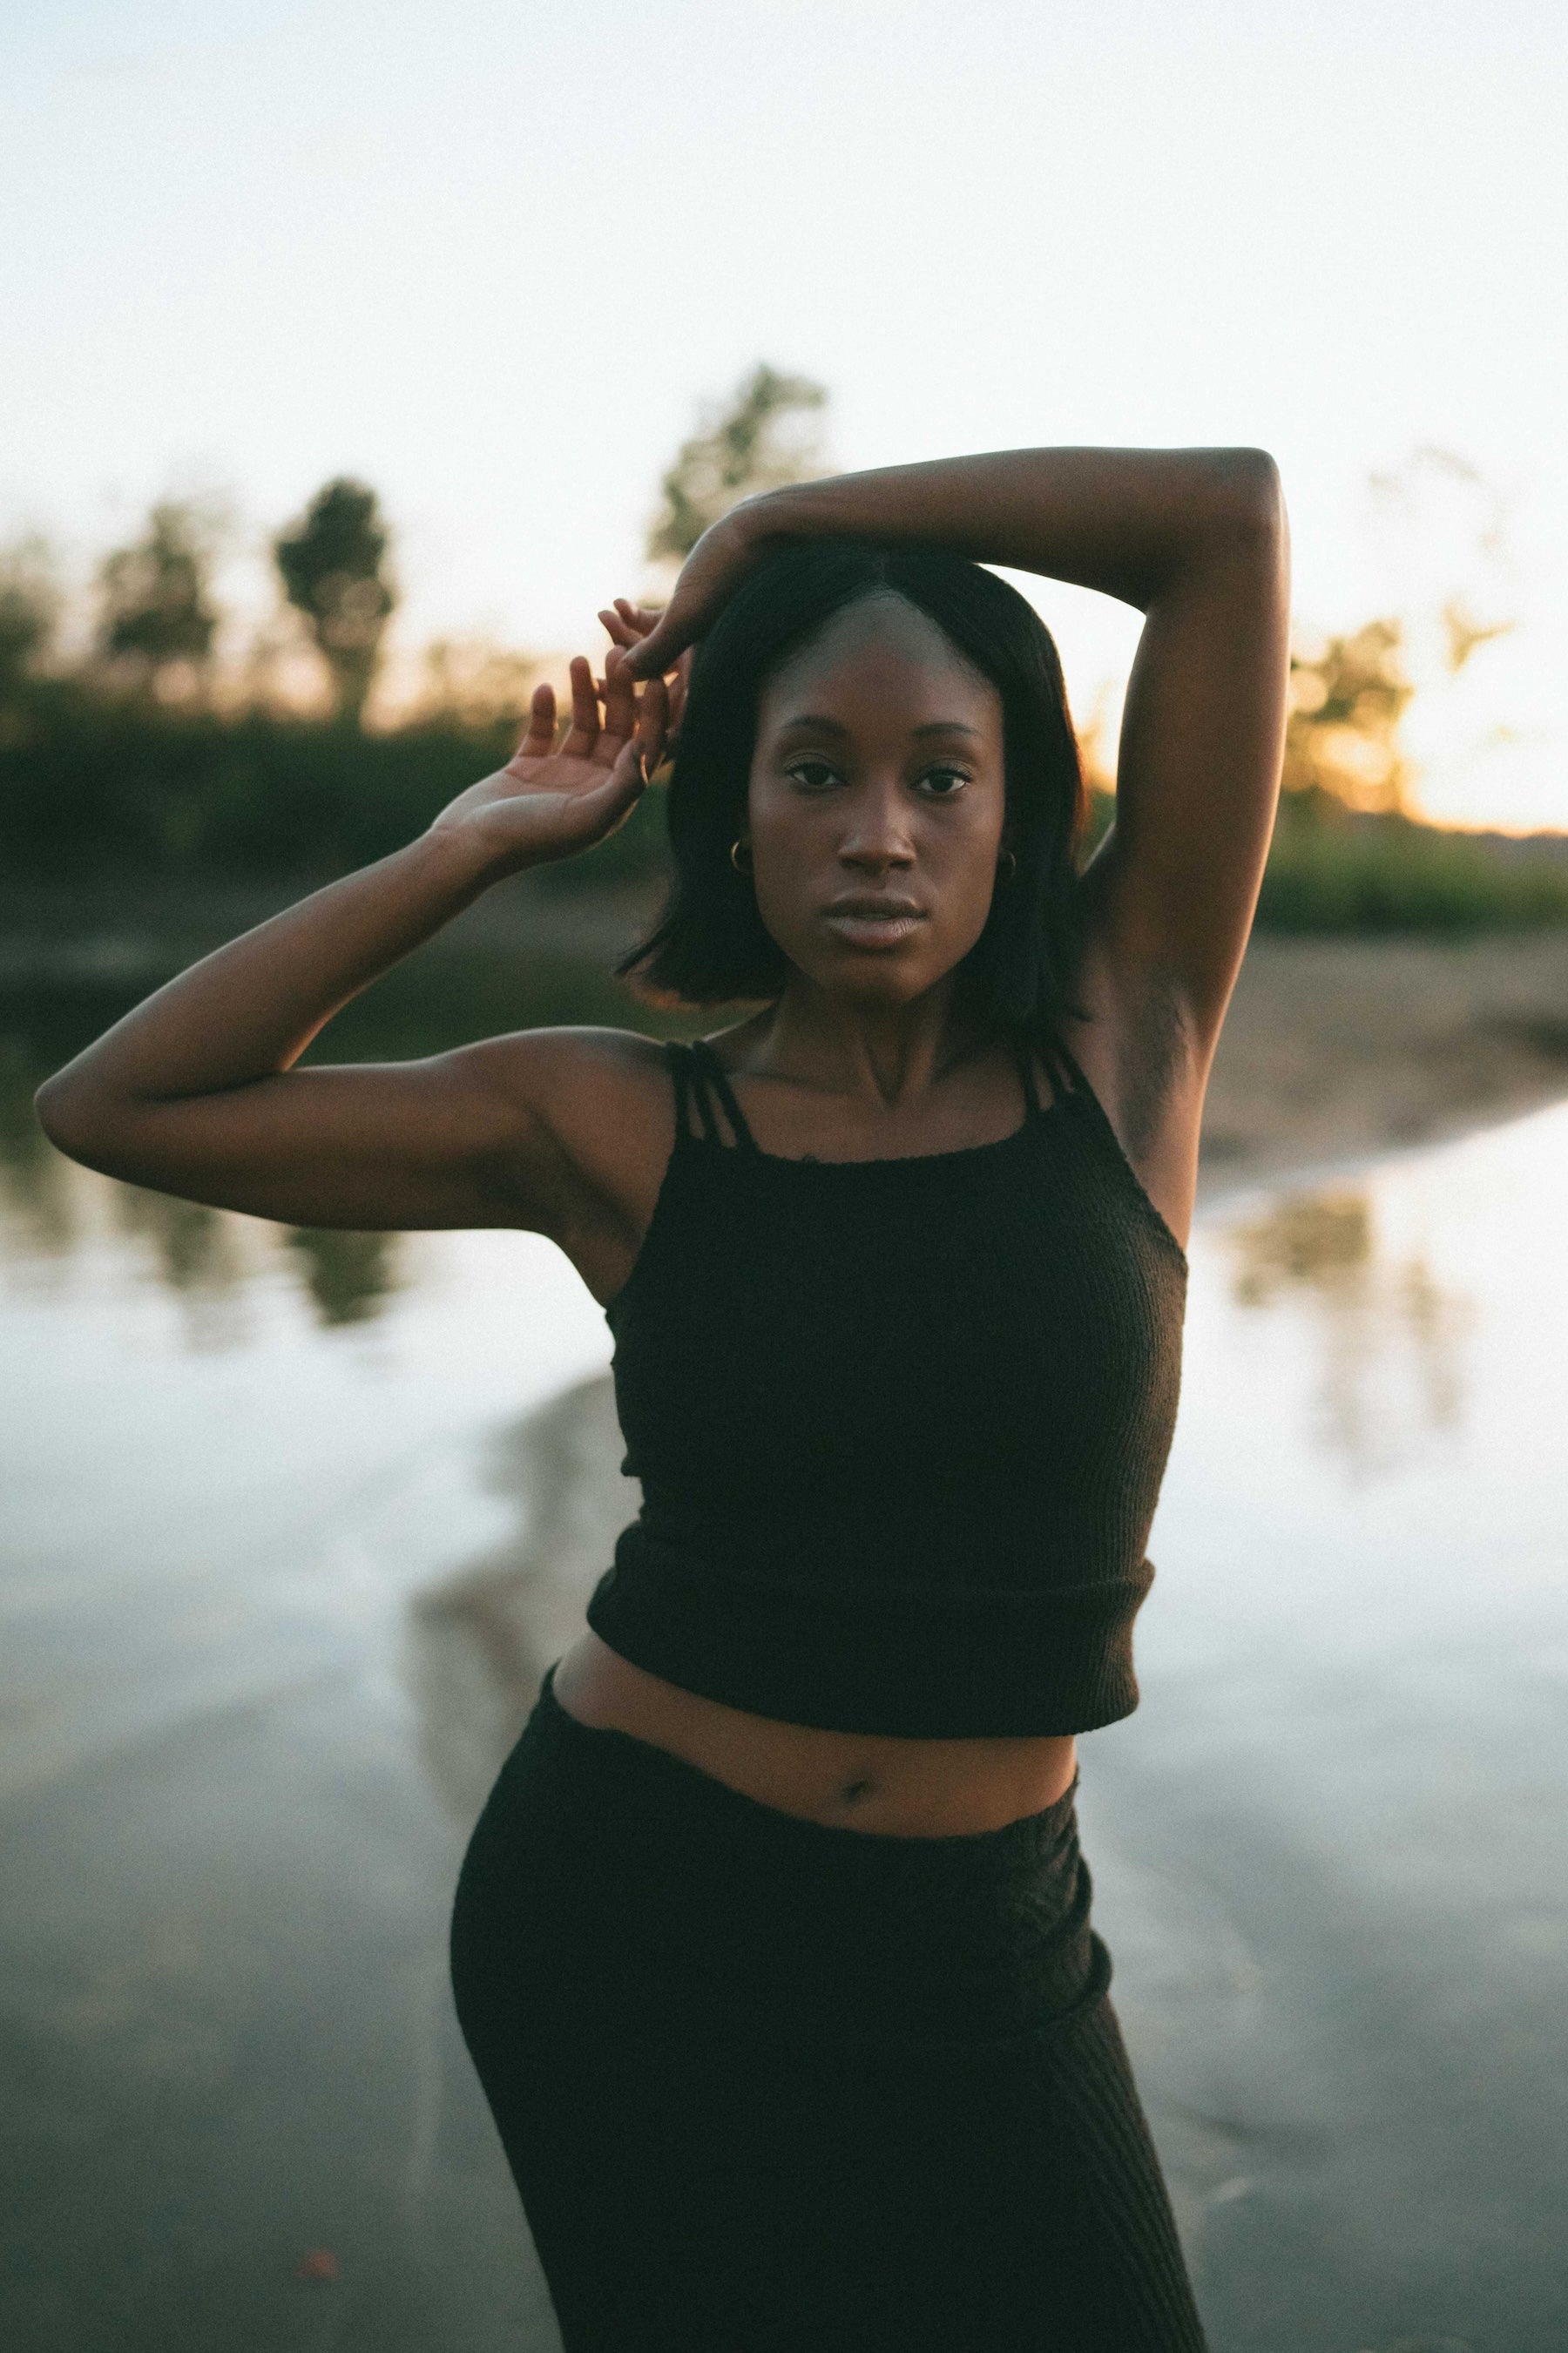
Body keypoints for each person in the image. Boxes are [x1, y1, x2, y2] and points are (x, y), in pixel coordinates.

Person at [34, 445, 1290, 2351]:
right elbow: (116, 1106)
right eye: (817, 771)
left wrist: (784, 524)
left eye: (940, 773)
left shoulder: (1132, 1038)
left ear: (1017, 810)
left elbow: (1227, 521)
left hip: (985, 1933)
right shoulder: (615, 1118)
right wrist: (475, 842)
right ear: (733, 813)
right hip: (634, 1923)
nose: (881, 828)